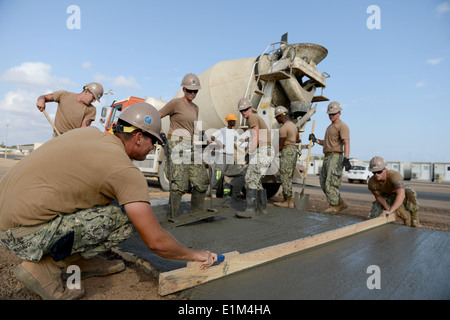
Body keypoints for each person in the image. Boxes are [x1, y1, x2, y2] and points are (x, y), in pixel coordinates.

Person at [0, 102, 218, 300]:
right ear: (139, 137)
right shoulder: (124, 171)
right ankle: (48, 268)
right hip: (24, 238)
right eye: (153, 140)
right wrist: (195, 254)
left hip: (6, 222)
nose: (154, 147)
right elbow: (155, 241)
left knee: (107, 201)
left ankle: (77, 260)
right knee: (127, 218)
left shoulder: (87, 133)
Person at [159, 73, 209, 219]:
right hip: (176, 143)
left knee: (201, 180)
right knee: (179, 182)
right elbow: (157, 115)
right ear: (183, 89)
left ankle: (197, 211)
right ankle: (172, 215)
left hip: (190, 145)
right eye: (189, 90)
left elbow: (195, 128)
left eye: (195, 91)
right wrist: (160, 133)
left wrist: (204, 139)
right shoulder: (175, 103)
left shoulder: (195, 108)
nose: (192, 93)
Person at [309, 101, 351, 213]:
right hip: (327, 157)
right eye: (329, 114)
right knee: (323, 181)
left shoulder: (342, 126)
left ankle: (334, 206)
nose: (331, 116)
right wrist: (316, 140)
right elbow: (327, 143)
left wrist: (346, 158)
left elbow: (346, 142)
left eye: (333, 114)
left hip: (336, 157)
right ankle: (340, 202)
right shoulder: (330, 127)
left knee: (331, 182)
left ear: (339, 113)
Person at [235, 98, 274, 218]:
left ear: (250, 108)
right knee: (256, 180)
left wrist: (249, 153)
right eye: (241, 111)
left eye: (245, 110)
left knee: (250, 178)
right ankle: (262, 209)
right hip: (265, 150)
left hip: (263, 150)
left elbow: (256, 136)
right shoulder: (254, 118)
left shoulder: (252, 117)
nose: (244, 113)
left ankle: (250, 210)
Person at [367, 156, 421, 227]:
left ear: (385, 169)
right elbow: (378, 197)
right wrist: (389, 209)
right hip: (386, 195)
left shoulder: (394, 176)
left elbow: (401, 195)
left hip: (398, 193)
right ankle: (405, 217)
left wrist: (390, 211)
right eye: (374, 172)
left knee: (409, 192)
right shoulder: (371, 182)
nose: (376, 174)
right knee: (375, 216)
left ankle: (415, 220)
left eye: (379, 172)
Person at [36, 82, 103, 136]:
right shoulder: (63, 95)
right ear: (86, 92)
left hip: (72, 139)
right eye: (93, 97)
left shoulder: (91, 109)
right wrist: (41, 100)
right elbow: (43, 97)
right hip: (57, 137)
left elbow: (83, 128)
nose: (94, 101)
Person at [209, 113, 241, 202]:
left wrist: (247, 140)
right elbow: (212, 136)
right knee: (218, 173)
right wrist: (219, 143)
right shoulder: (222, 130)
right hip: (222, 155)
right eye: (233, 120)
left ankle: (226, 194)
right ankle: (213, 191)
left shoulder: (234, 132)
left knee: (228, 176)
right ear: (229, 121)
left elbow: (240, 140)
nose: (234, 122)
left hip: (231, 156)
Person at [273, 106, 300, 209]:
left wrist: (272, 153)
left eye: (277, 117)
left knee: (285, 176)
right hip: (293, 150)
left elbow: (280, 144)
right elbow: (298, 140)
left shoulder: (283, 128)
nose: (276, 119)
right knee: (289, 176)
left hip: (287, 151)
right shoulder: (293, 126)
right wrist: (291, 139)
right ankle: (289, 200)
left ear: (281, 116)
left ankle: (287, 200)